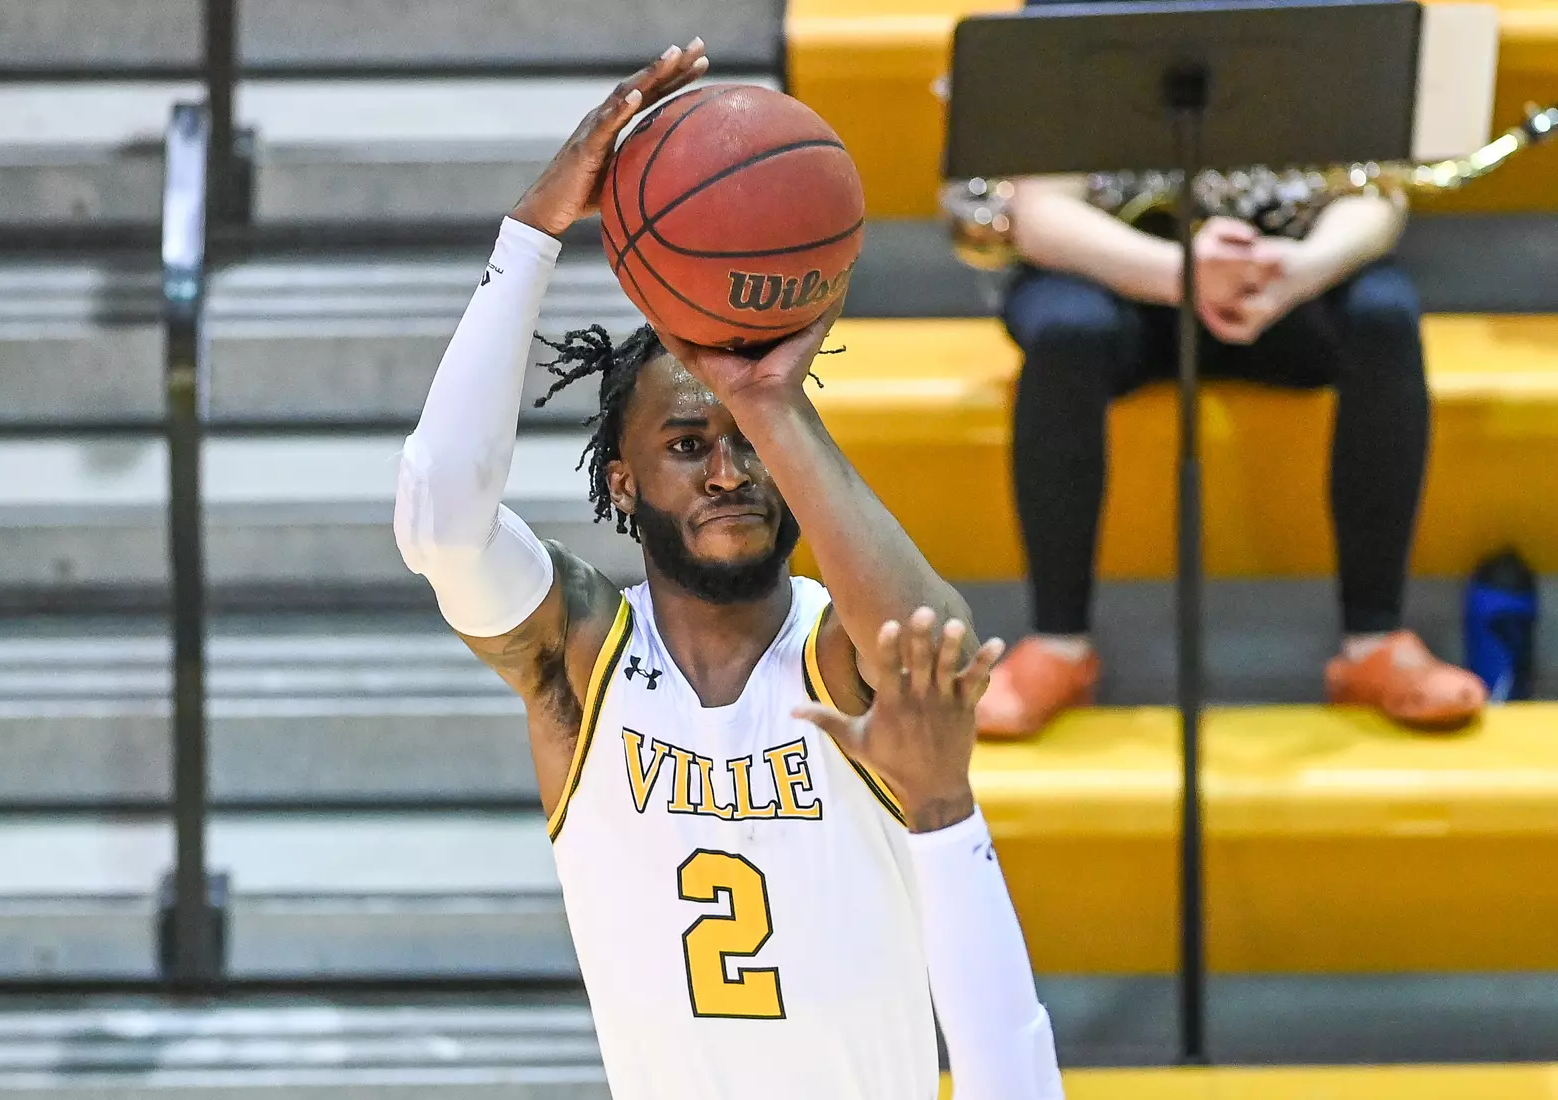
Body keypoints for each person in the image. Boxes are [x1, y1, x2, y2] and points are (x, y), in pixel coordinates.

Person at [393, 41, 1062, 1100]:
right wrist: (530, 235)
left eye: (747, 444)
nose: (727, 469)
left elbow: (929, 650)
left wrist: (768, 397)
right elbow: (439, 523)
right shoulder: (580, 663)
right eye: (688, 442)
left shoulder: (833, 657)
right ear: (622, 480)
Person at [974, 164, 1489, 739]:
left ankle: (1374, 643)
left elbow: (1375, 191)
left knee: (1384, 314)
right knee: (1065, 329)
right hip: (1112, 275)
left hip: (1287, 281)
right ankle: (1058, 646)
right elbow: (1039, 214)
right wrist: (1182, 274)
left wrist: (1303, 268)